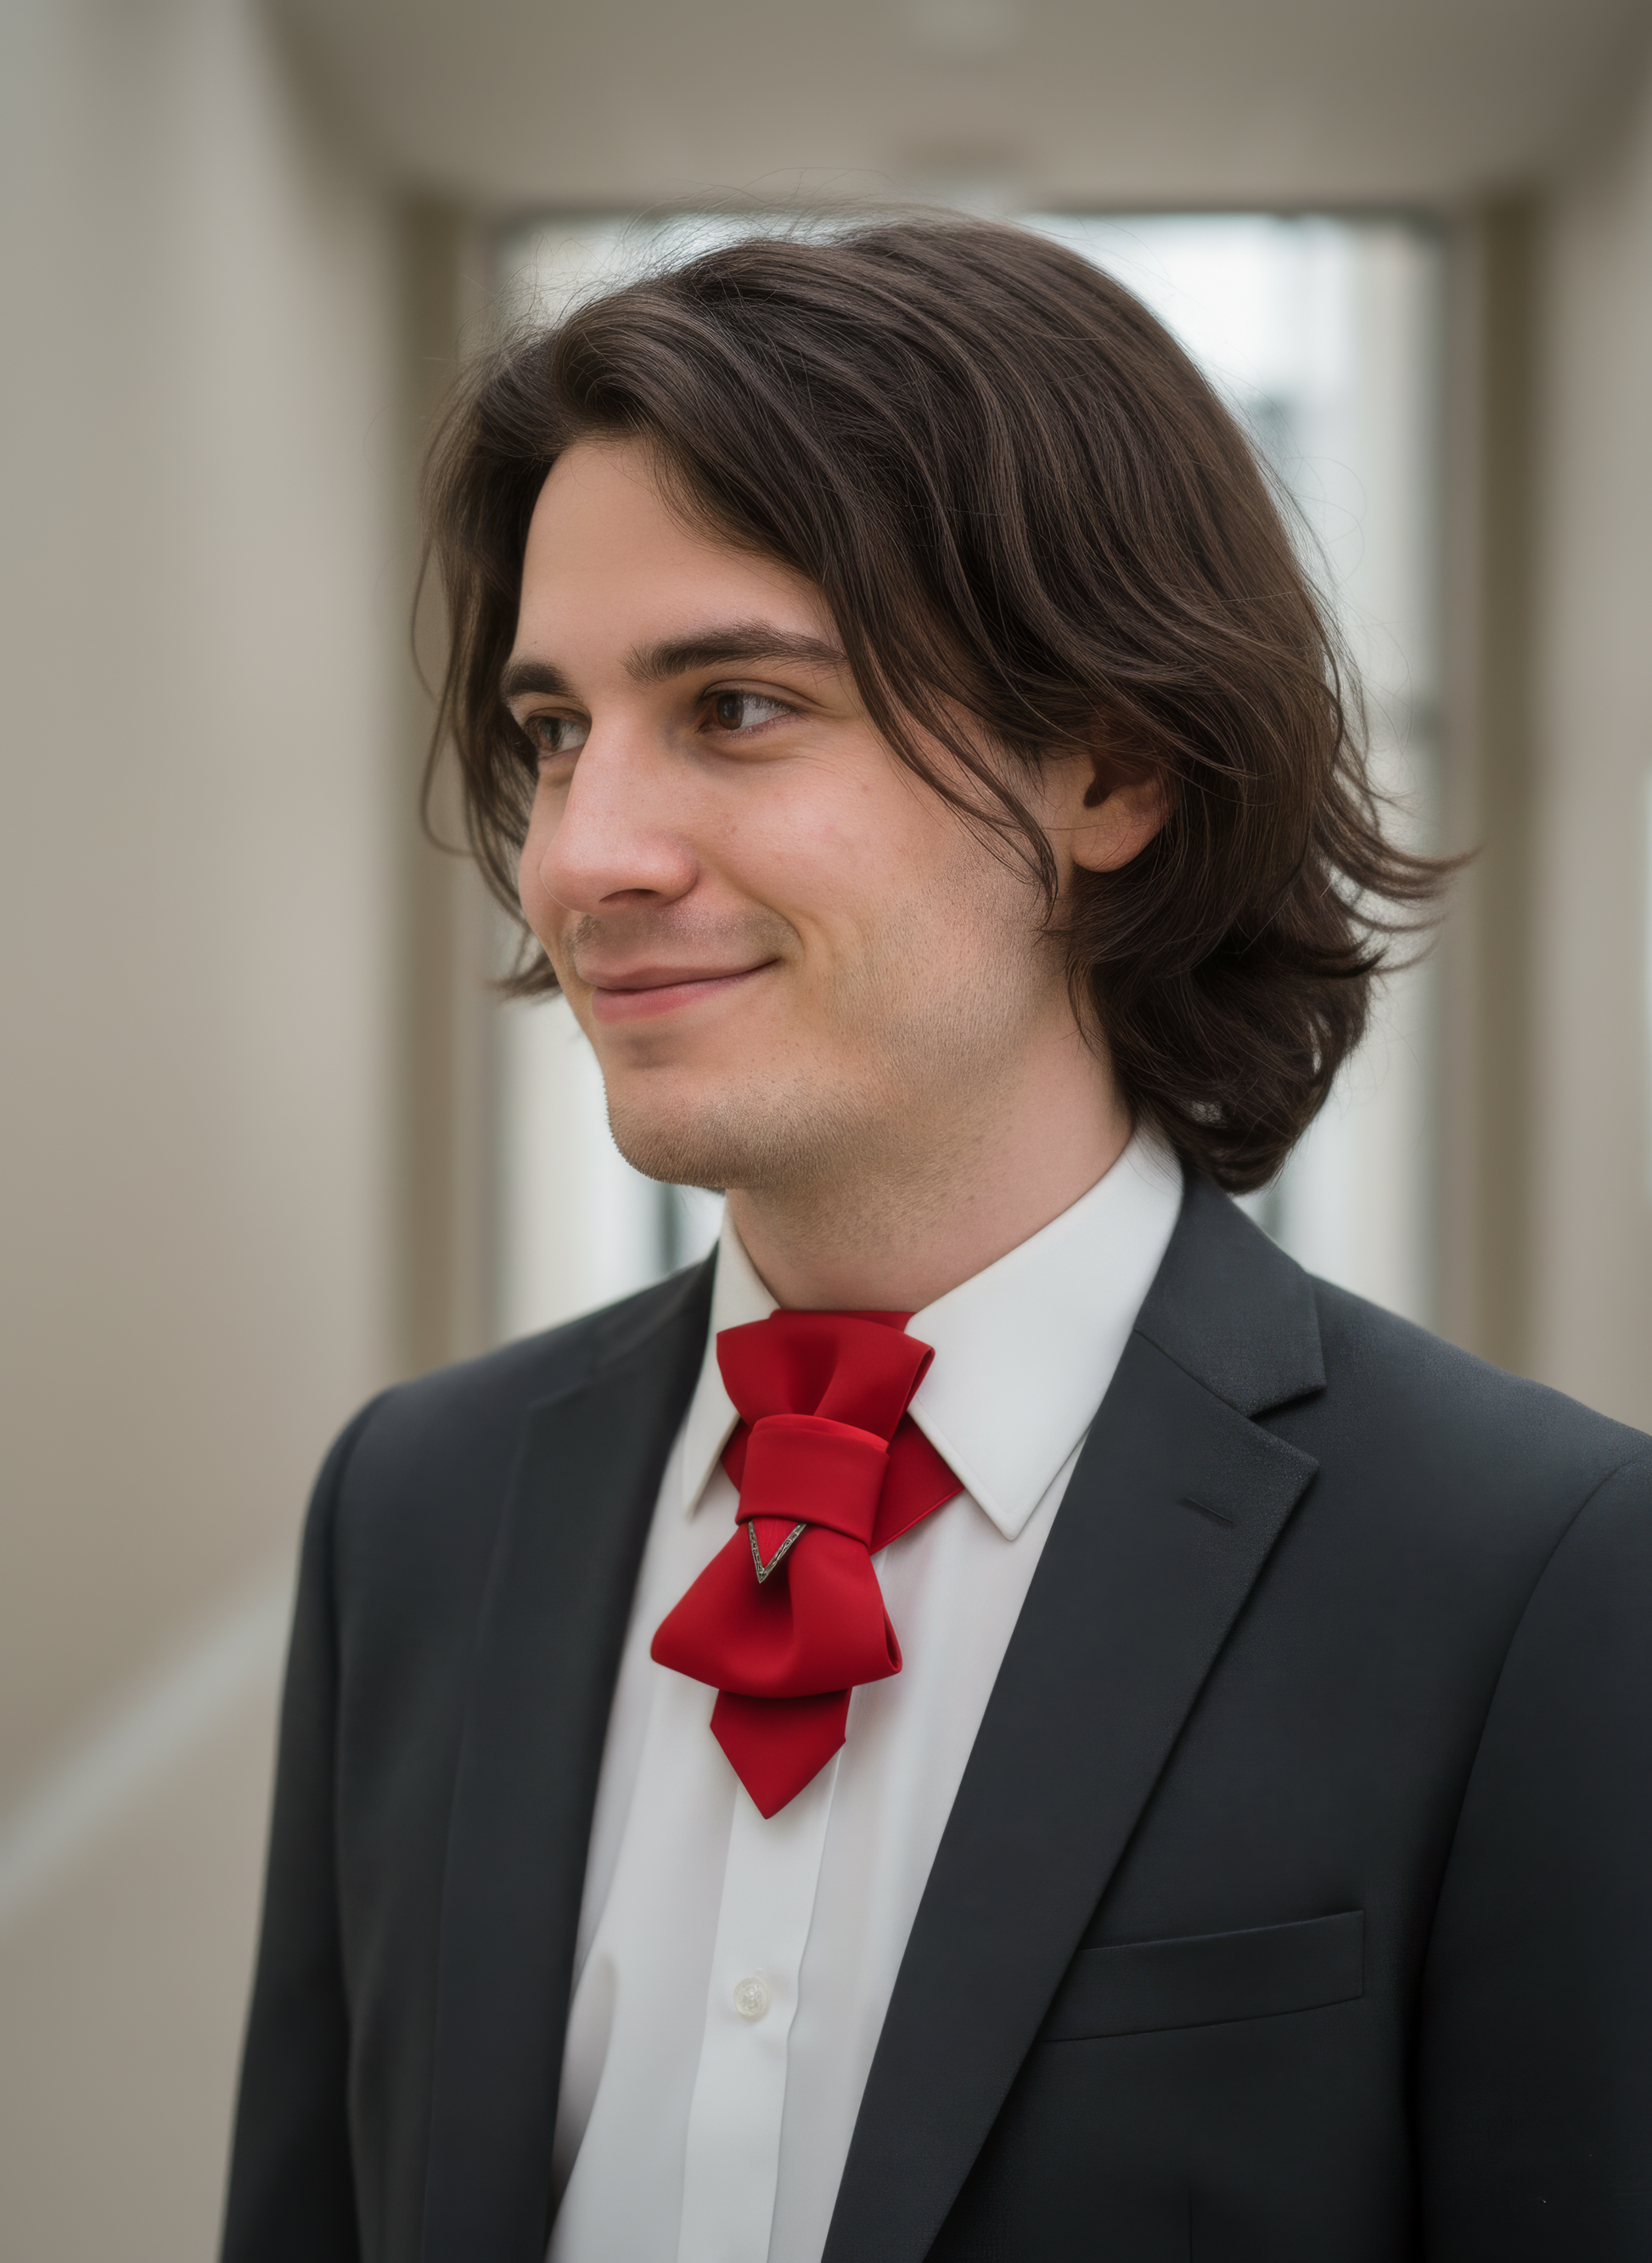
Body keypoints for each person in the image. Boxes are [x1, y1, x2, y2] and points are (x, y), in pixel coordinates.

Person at [221, 216, 1651, 2263]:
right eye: (554, 731)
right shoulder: (416, 1508)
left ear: (1114, 764)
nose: (583, 855)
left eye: (733, 705)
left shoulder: (1539, 1575)